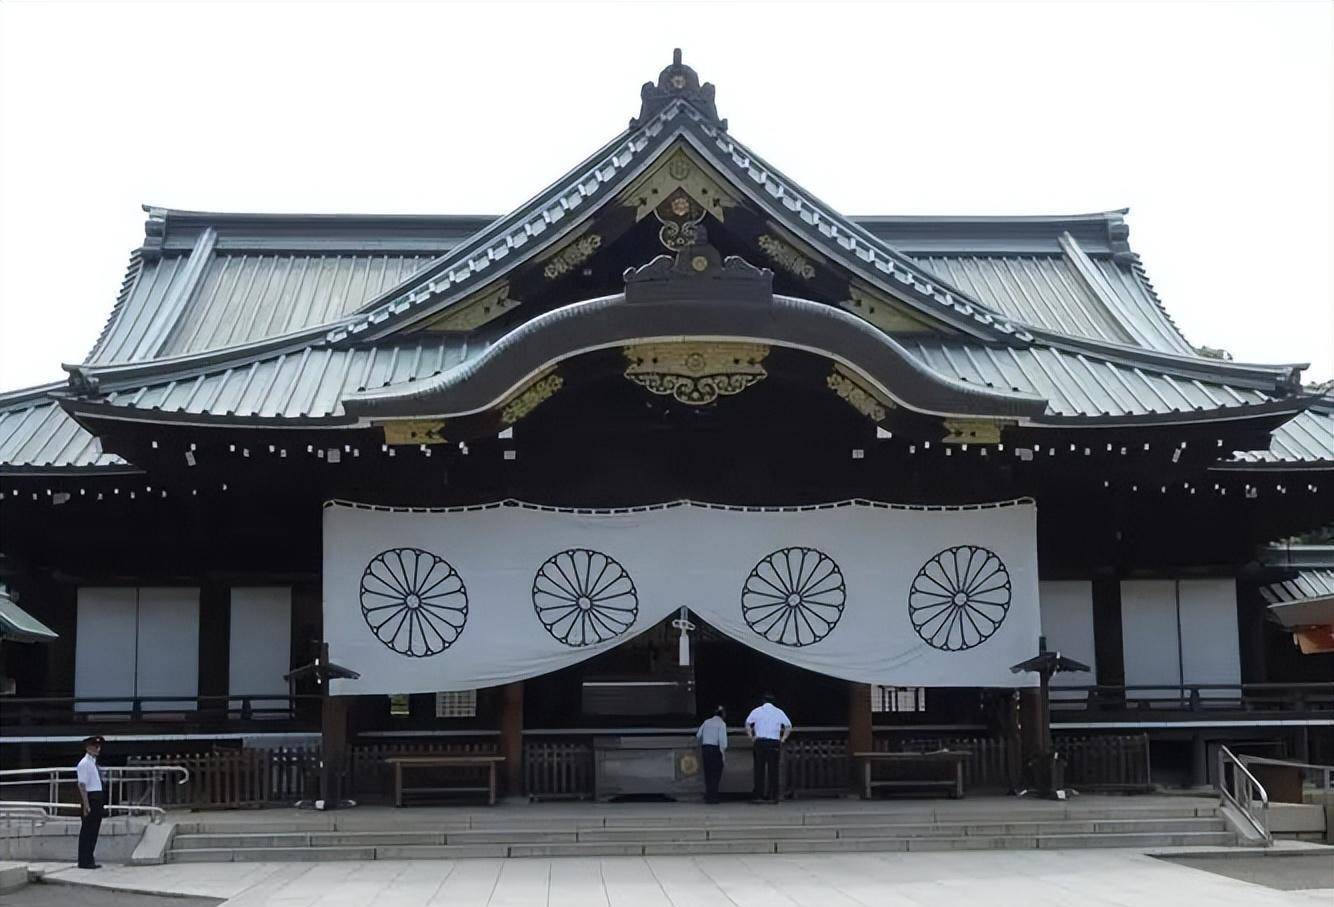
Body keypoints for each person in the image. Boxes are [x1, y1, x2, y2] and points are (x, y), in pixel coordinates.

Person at [745, 693, 791, 803]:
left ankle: (758, 796)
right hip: (774, 742)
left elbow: (747, 724)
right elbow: (788, 726)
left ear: (763, 701)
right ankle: (773, 795)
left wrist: (751, 736)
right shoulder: (779, 712)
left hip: (760, 741)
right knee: (773, 770)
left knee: (759, 769)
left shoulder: (756, 711)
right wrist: (783, 738)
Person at [76, 735, 105, 869]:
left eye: (98, 746)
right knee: (87, 831)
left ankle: (90, 858)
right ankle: (84, 860)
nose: (97, 749)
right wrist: (86, 804)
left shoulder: (93, 763)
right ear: (88, 747)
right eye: (95, 746)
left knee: (94, 831)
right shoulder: (84, 763)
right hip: (91, 798)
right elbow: (82, 785)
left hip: (97, 797)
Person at [695, 706, 728, 803]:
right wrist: (723, 755)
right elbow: (723, 742)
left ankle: (708, 796)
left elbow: (698, 735)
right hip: (715, 749)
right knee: (715, 774)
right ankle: (714, 797)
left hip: (705, 749)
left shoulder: (706, 722)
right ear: (723, 715)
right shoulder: (722, 724)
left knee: (708, 774)